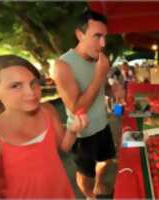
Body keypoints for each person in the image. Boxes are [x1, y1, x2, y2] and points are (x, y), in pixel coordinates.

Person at [0, 55, 89, 198]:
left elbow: (63, 147)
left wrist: (73, 131)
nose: (31, 92)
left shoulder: (48, 110)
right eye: (15, 86)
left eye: (33, 83)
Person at [51, 10, 116, 198]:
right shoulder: (63, 65)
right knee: (85, 172)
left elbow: (102, 87)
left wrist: (113, 91)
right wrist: (99, 74)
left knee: (106, 160)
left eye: (105, 37)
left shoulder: (98, 59)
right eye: (97, 36)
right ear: (79, 34)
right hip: (82, 134)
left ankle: (99, 184)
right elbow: (76, 108)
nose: (103, 44)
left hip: (103, 125)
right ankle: (89, 195)